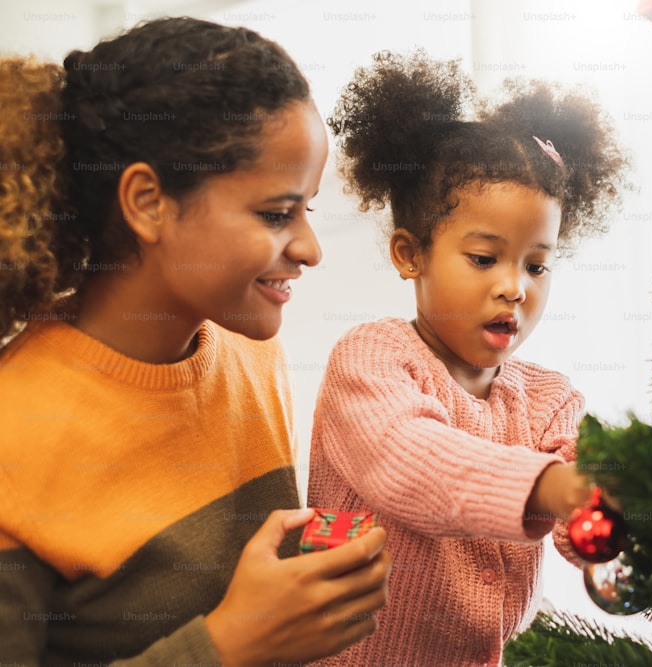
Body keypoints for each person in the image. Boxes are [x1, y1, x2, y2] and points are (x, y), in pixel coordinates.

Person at [0, 18, 390, 665]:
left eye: (308, 210)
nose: (310, 250)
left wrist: (312, 588)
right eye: (275, 213)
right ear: (149, 201)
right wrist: (230, 645)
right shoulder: (15, 430)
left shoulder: (248, 351)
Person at [308, 50, 628, 666]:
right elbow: (410, 465)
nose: (516, 287)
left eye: (537, 265)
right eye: (485, 259)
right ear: (410, 254)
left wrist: (618, 498)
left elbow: (582, 504)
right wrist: (557, 487)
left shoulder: (548, 397)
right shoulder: (370, 361)